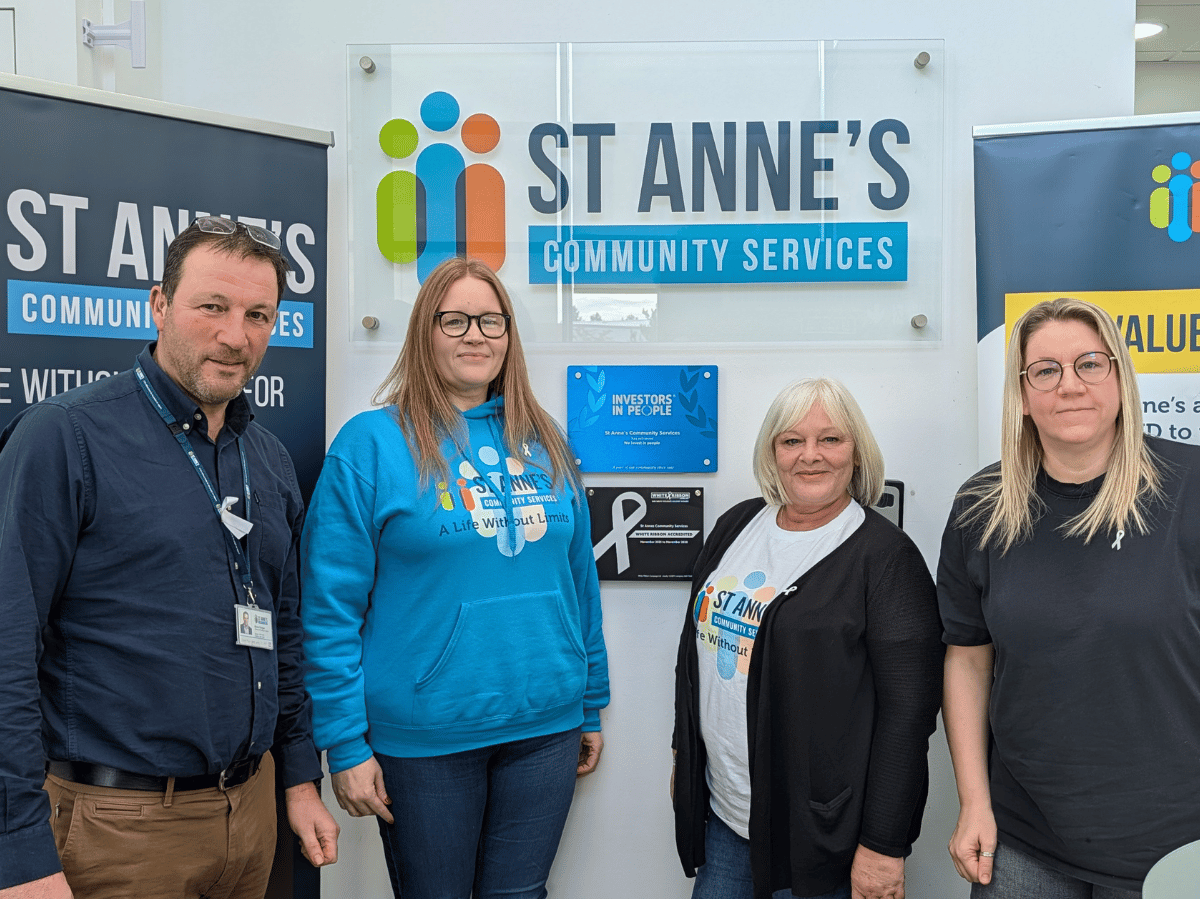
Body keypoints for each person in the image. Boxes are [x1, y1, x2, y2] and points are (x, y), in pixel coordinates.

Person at [0, 217, 339, 899]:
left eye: (258, 315)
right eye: (212, 306)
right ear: (158, 304)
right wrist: (18, 850)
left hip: (251, 818)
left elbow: (287, 633)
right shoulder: (64, 439)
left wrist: (300, 779)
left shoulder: (267, 459)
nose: (235, 336)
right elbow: (6, 646)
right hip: (115, 829)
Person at [301, 256, 609, 899]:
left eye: (491, 320)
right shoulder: (371, 445)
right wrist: (344, 744)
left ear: (509, 335)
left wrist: (589, 703)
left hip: (545, 729)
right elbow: (329, 610)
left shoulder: (545, 438)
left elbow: (580, 583)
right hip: (424, 741)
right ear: (425, 333)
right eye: (456, 319)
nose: (476, 335)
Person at [938, 297, 1200, 898]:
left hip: (1174, 845)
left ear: (1118, 376)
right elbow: (967, 657)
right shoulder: (982, 507)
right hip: (1026, 839)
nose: (1070, 386)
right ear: (1022, 392)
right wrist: (974, 804)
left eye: (1089, 364)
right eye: (1046, 370)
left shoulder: (1190, 488)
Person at [673, 378, 943, 899]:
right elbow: (695, 657)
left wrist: (884, 846)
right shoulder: (736, 526)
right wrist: (684, 759)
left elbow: (908, 718)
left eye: (830, 440)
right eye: (791, 441)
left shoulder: (886, 559)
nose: (809, 456)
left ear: (857, 452)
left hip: (821, 838)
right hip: (727, 815)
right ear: (771, 453)